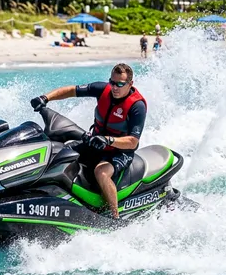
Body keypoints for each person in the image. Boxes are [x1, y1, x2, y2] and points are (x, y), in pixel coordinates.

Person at [30, 63, 146, 219]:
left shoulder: (137, 106)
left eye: (120, 84)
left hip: (118, 151)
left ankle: (115, 216)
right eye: (112, 82)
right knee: (59, 153)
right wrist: (45, 98)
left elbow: (133, 142)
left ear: (130, 84)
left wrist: (108, 140)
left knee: (102, 173)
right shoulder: (102, 89)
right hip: (95, 143)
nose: (115, 87)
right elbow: (72, 90)